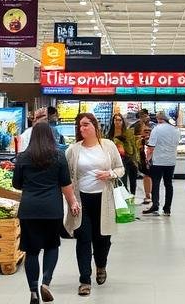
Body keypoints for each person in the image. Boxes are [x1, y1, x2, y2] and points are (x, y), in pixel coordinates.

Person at [13, 121, 80, 304]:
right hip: (52, 208)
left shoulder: (23, 157)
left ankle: (33, 291)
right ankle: (46, 283)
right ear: (51, 136)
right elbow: (66, 183)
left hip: (29, 209)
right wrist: (73, 201)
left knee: (31, 251)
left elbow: (16, 184)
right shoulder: (58, 156)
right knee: (51, 246)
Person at [64, 112, 125, 296]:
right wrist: (70, 199)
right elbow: (66, 176)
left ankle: (101, 265)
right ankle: (84, 280)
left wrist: (111, 174)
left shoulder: (107, 146)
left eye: (85, 125)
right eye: (79, 126)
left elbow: (120, 168)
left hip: (104, 199)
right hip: (81, 201)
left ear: (95, 126)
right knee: (83, 239)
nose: (82, 129)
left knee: (103, 239)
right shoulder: (73, 150)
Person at [142, 111, 179, 216]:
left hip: (158, 161)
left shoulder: (156, 129)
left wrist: (147, 159)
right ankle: (167, 208)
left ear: (158, 119)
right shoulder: (176, 130)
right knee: (168, 184)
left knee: (156, 183)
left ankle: (155, 205)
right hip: (171, 161)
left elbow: (151, 147)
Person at [108, 114, 139, 195]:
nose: (117, 122)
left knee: (133, 182)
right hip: (117, 161)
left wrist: (124, 142)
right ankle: (124, 199)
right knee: (122, 181)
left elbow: (132, 150)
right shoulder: (110, 134)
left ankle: (132, 197)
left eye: (119, 120)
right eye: (115, 120)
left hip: (129, 159)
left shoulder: (128, 133)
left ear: (122, 121)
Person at [135, 114, 153, 206]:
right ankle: (148, 195)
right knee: (147, 176)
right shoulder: (139, 130)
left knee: (149, 176)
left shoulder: (152, 127)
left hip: (150, 156)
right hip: (143, 156)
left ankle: (150, 195)